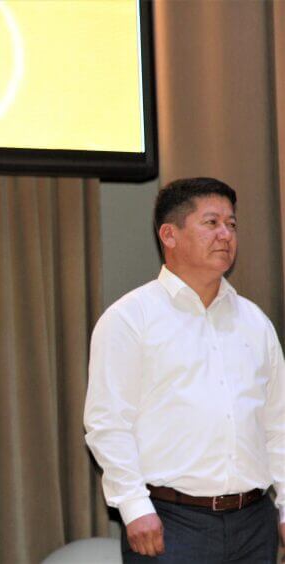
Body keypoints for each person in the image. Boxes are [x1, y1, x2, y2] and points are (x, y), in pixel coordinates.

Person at [84, 177, 284, 562]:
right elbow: (108, 423)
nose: (225, 234)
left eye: (231, 224)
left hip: (254, 522)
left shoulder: (254, 322)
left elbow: (278, 423)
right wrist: (133, 506)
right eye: (211, 223)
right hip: (171, 522)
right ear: (169, 235)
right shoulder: (130, 318)